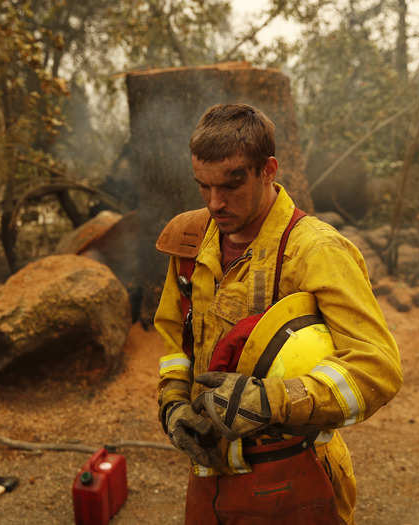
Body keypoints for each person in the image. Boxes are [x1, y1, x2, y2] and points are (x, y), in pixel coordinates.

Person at [154, 103, 402, 524]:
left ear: (268, 170)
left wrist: (271, 400)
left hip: (295, 475)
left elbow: (377, 368)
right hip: (209, 474)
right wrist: (174, 405)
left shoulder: (316, 251)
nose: (215, 203)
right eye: (203, 186)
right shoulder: (191, 240)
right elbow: (176, 337)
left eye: (231, 186)